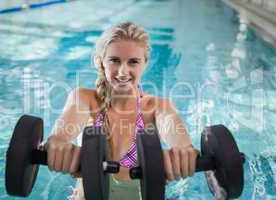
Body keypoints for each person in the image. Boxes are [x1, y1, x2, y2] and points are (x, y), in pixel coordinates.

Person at [45, 21, 198, 200]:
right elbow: (62, 132)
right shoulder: (84, 100)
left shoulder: (158, 107)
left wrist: (183, 150)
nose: (123, 71)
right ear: (101, 62)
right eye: (114, 60)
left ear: (145, 64)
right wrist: (58, 142)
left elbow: (172, 125)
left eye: (133, 62)